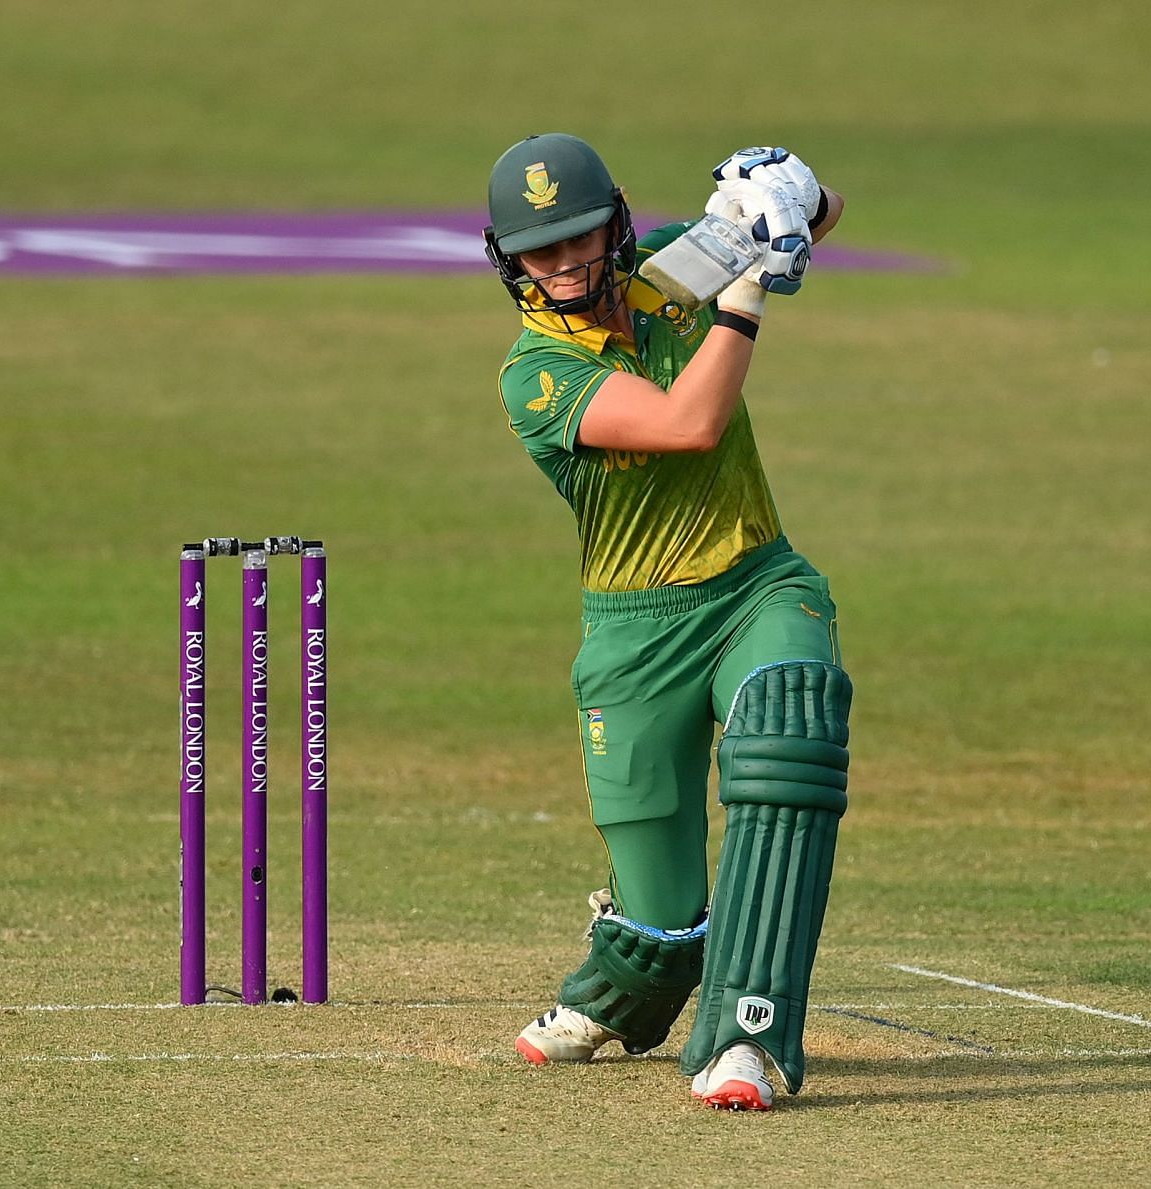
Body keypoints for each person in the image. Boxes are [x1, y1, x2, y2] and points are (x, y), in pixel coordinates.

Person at [484, 132, 851, 1111]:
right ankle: (624, 987)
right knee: (660, 911)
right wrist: (750, 292)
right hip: (634, 633)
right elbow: (691, 422)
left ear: (618, 221)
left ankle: (749, 1040)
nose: (562, 267)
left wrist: (781, 196)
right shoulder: (536, 374)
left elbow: (819, 215)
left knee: (791, 723)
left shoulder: (675, 268)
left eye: (577, 240)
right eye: (537, 253)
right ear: (510, 262)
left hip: (754, 587)